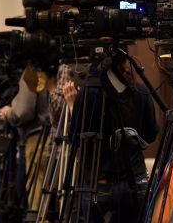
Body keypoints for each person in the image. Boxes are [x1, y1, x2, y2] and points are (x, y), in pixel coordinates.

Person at [64, 54, 159, 222]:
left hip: (99, 184)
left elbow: (76, 139)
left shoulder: (88, 93)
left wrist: (72, 106)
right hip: (136, 183)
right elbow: (150, 135)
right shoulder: (140, 92)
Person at [0, 64, 50, 212]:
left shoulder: (32, 70)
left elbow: (23, 111)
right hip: (54, 134)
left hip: (37, 140)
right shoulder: (56, 66)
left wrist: (9, 113)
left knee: (37, 198)